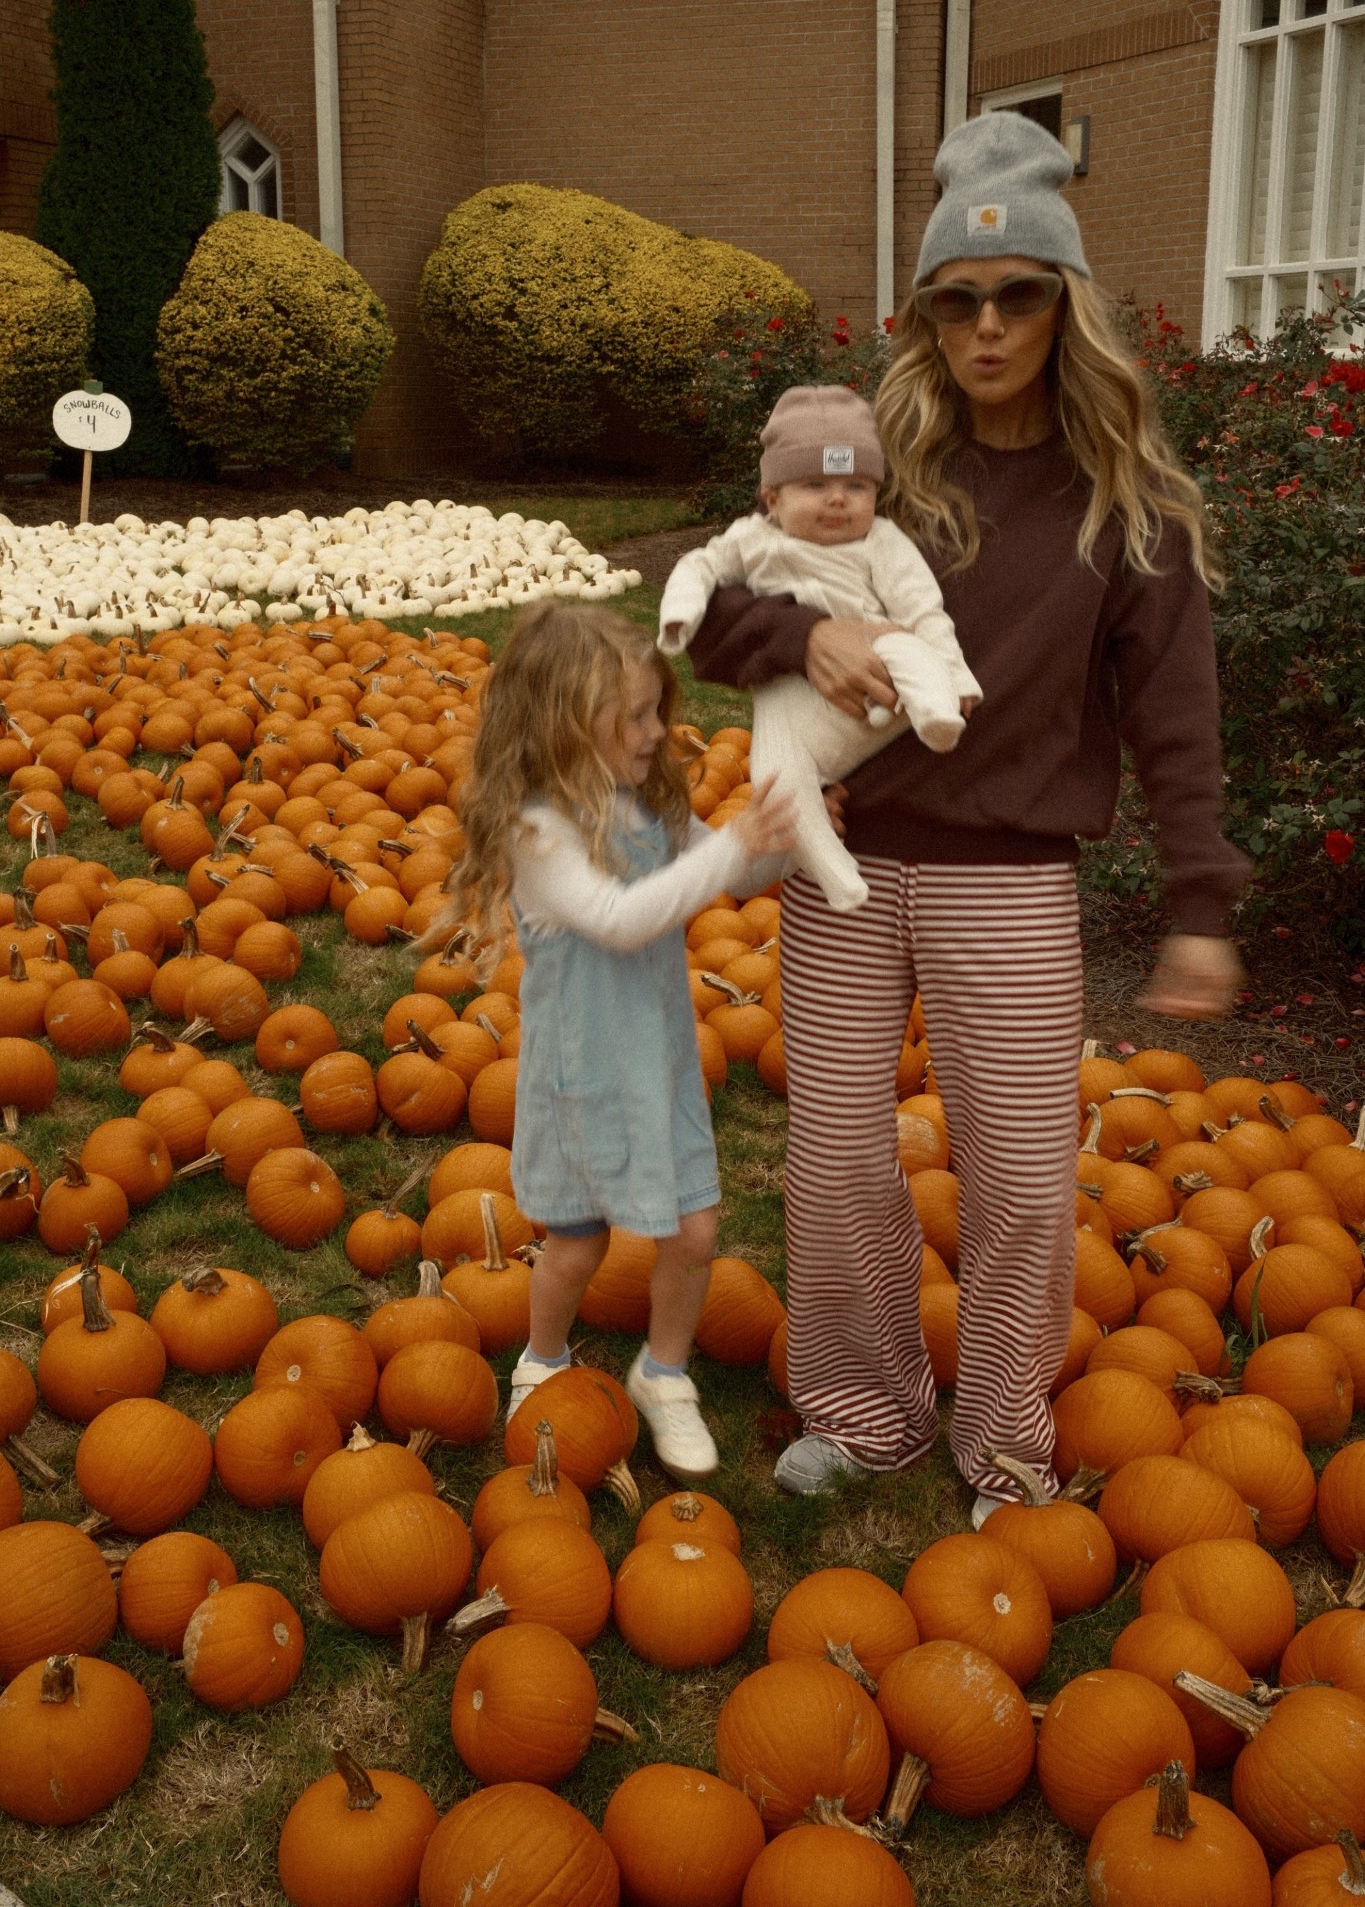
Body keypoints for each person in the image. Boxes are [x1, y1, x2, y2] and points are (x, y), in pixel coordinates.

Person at [687, 110, 1250, 1517]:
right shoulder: (872, 479)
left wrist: (1199, 907)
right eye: (957, 300)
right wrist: (794, 640)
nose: (987, 325)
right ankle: (866, 1409)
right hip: (845, 868)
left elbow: (1178, 722)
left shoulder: (1128, 512)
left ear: (1067, 306)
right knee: (832, 1159)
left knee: (1013, 1181)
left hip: (1011, 877)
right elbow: (713, 605)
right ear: (927, 316)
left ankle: (1003, 1443)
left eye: (1018, 296)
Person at [442, 600, 796, 1483]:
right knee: (577, 1244)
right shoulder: (538, 832)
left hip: (661, 1065)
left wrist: (788, 835)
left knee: (696, 1232)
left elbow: (732, 864)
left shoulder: (647, 806)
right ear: (564, 726)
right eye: (632, 717)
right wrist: (726, 856)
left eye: (654, 710)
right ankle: (542, 1357)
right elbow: (622, 919)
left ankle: (662, 1371)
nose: (654, 731)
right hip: (581, 1077)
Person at [658, 385, 981, 912]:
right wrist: (679, 614)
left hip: (880, 656)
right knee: (776, 776)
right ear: (773, 497)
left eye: (856, 485)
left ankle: (936, 714)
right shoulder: (752, 539)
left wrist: (956, 677)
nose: (837, 498)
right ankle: (835, 873)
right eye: (815, 484)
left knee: (906, 645)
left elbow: (924, 609)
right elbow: (700, 567)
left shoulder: (881, 541)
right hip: (792, 698)